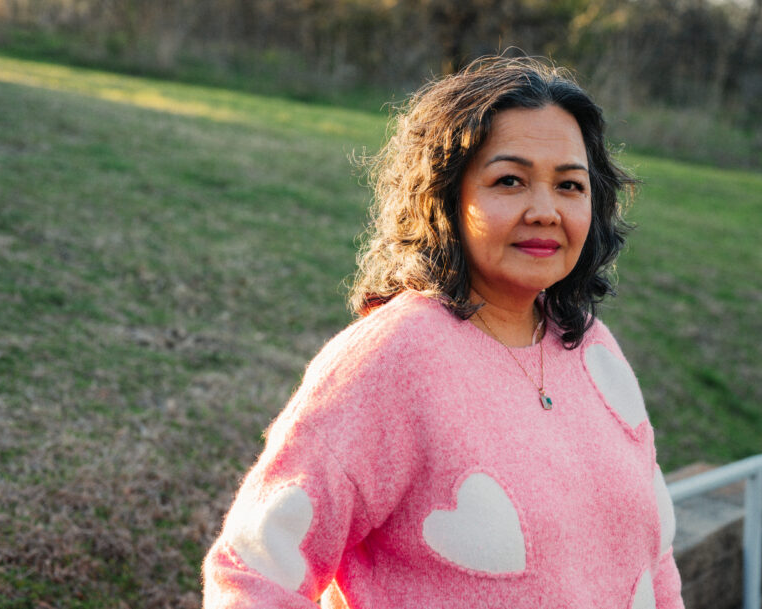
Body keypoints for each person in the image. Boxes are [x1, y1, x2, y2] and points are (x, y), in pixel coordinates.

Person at [202, 56, 683, 608]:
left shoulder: (595, 350)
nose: (545, 210)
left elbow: (657, 564)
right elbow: (250, 574)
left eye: (570, 185)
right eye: (509, 181)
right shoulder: (394, 357)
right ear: (446, 196)